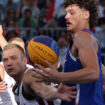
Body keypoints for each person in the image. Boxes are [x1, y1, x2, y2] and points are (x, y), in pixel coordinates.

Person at [33, 0, 105, 105]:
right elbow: (100, 76)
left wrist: (59, 76)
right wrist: (61, 80)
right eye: (66, 13)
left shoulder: (82, 37)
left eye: (71, 13)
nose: (66, 17)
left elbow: (93, 73)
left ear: (86, 14)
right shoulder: (86, 41)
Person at [2, 44, 77, 105]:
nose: (9, 63)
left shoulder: (30, 75)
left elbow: (44, 91)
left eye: (13, 58)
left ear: (24, 60)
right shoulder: (16, 90)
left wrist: (56, 93)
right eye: (5, 60)